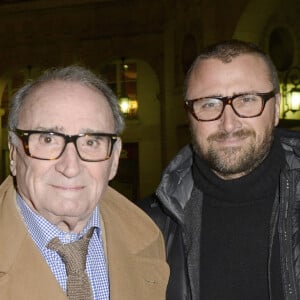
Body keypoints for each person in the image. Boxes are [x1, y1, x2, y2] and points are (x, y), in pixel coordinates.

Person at [138, 39, 300, 300]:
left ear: (277, 107)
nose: (228, 123)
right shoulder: (148, 227)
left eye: (247, 99)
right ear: (189, 114)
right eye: (209, 103)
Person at [0, 65, 169, 300]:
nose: (70, 167)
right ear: (14, 153)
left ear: (114, 158)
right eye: (48, 139)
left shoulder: (150, 238)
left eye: (92, 142)